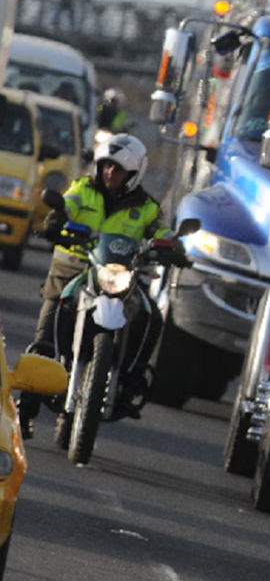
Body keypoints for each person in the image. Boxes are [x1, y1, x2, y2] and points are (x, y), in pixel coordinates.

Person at [18, 133, 174, 438]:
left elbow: (161, 229)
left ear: (134, 173)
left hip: (118, 278)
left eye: (117, 169)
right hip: (71, 270)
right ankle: (25, 412)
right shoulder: (83, 189)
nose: (110, 173)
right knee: (44, 337)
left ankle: (131, 378)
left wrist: (173, 244)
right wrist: (57, 218)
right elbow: (68, 204)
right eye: (106, 166)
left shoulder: (146, 207)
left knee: (152, 317)